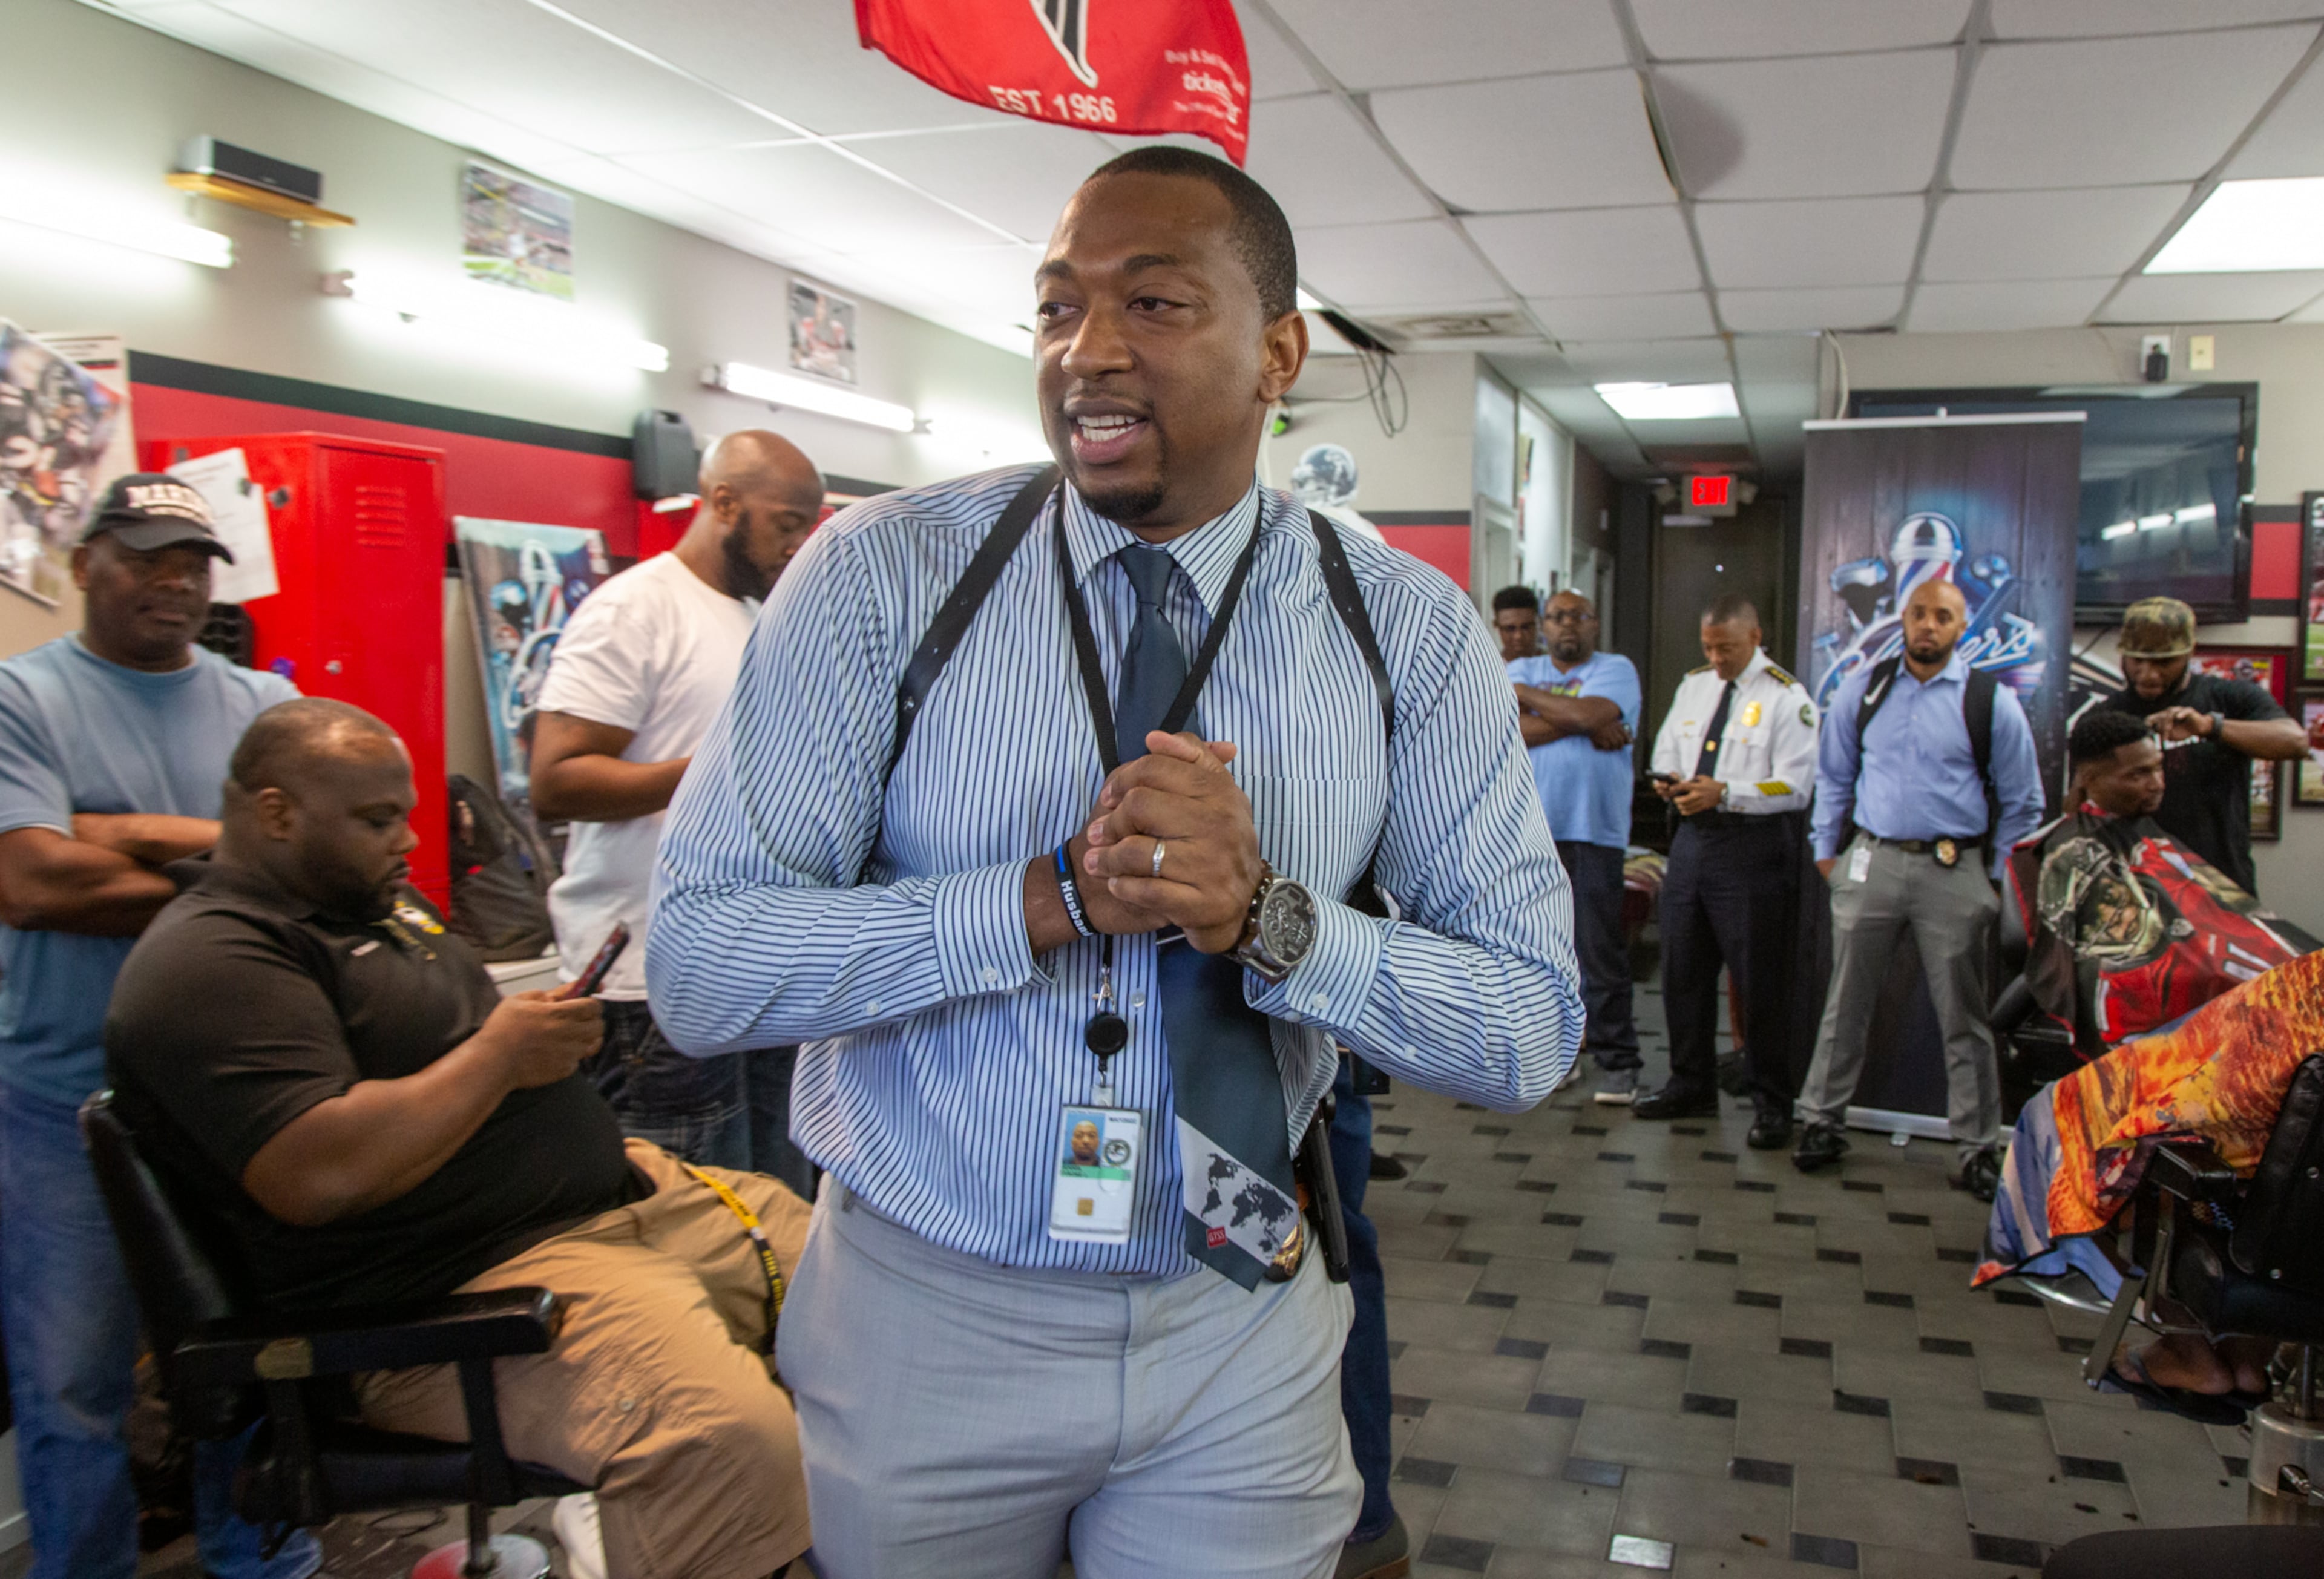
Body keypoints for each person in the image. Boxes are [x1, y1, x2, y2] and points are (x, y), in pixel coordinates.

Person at [649, 146, 1582, 1579]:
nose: (1087, 352)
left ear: (1278, 353)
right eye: (1056, 309)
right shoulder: (881, 580)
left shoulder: (1404, 629)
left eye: (1151, 303)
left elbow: (1526, 1030)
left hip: (1238, 1307)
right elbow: (702, 968)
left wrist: (1273, 922)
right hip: (925, 1312)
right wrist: (1042, 901)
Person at [103, 699, 813, 1579]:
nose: (407, 842)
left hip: (629, 1207)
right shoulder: (212, 962)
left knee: (883, 1294)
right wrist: (499, 1056)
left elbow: (444, 1056)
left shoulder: (373, 908)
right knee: (723, 1436)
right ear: (277, 813)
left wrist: (519, 1042)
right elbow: (317, 1172)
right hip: (477, 1287)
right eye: (377, 820)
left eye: (406, 814)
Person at [0, 476, 315, 1579]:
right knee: (73, 1385)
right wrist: (236, 865)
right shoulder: (20, 696)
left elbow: (318, 867)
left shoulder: (257, 706)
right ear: (85, 560)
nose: (173, 580)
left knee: (252, 1361)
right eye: (144, 555)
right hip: (62, 1096)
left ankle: (261, 1558)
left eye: (193, 560)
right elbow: (33, 880)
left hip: (237, 1101)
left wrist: (120, 832)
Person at [531, 429, 824, 1191]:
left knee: (778, 1210)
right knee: (689, 1212)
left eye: (807, 525)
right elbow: (557, 778)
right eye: (786, 522)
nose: (798, 544)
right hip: (652, 979)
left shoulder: (766, 617)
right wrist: (713, 774)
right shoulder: (635, 609)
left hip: (760, 962)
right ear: (723, 503)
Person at [1796, 579, 2046, 1198]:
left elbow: (2025, 800)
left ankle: (1975, 1148)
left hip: (1954, 870)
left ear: (1961, 627)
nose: (1927, 625)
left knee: (1964, 1019)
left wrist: (1994, 880)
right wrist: (1826, 851)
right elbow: (1833, 775)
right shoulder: (1866, 687)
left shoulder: (1990, 701)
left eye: (1943, 616)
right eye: (1918, 613)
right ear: (1902, 619)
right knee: (1844, 1004)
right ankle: (1820, 1122)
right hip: (1872, 860)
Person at [2001, 709, 2313, 1061]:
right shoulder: (2071, 851)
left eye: (2158, 767)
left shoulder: (2141, 833)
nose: (2157, 783)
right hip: (2154, 998)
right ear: (2089, 777)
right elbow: (2115, 964)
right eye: (2138, 774)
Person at [1636, 596, 1817, 1148]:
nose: (1718, 659)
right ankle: (1690, 1082)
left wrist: (1728, 792)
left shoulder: (1788, 698)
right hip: (1692, 840)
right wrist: (1669, 780)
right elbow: (1667, 747)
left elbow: (1795, 786)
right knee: (1682, 971)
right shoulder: (1695, 685)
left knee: (1759, 981)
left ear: (1756, 637)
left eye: (1728, 649)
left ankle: (1772, 1103)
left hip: (1753, 848)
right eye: (1709, 648)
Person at [1508, 591, 1644, 1103]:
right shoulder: (1523, 665)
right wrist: (1578, 721)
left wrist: (1530, 696)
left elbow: (1592, 715)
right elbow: (1507, 730)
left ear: (1595, 623)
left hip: (1593, 832)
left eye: (1578, 616)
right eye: (1558, 616)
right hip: (1529, 832)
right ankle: (1556, 1058)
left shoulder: (1617, 668)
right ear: (1545, 624)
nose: (1568, 625)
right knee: (1539, 951)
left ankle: (1618, 1061)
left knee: (1599, 950)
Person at [2102, 596, 2304, 898]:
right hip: (2136, 884)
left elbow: (2296, 742)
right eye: (2137, 661)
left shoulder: (2229, 698)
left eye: (2163, 662)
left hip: (2220, 882)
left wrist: (2211, 727)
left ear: (2189, 654)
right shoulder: (2106, 716)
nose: (2148, 674)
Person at [1491, 583, 1541, 663]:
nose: (1519, 636)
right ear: (1496, 625)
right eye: (1510, 629)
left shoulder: (1557, 666)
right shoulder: (1489, 669)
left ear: (1538, 624)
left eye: (1526, 627)